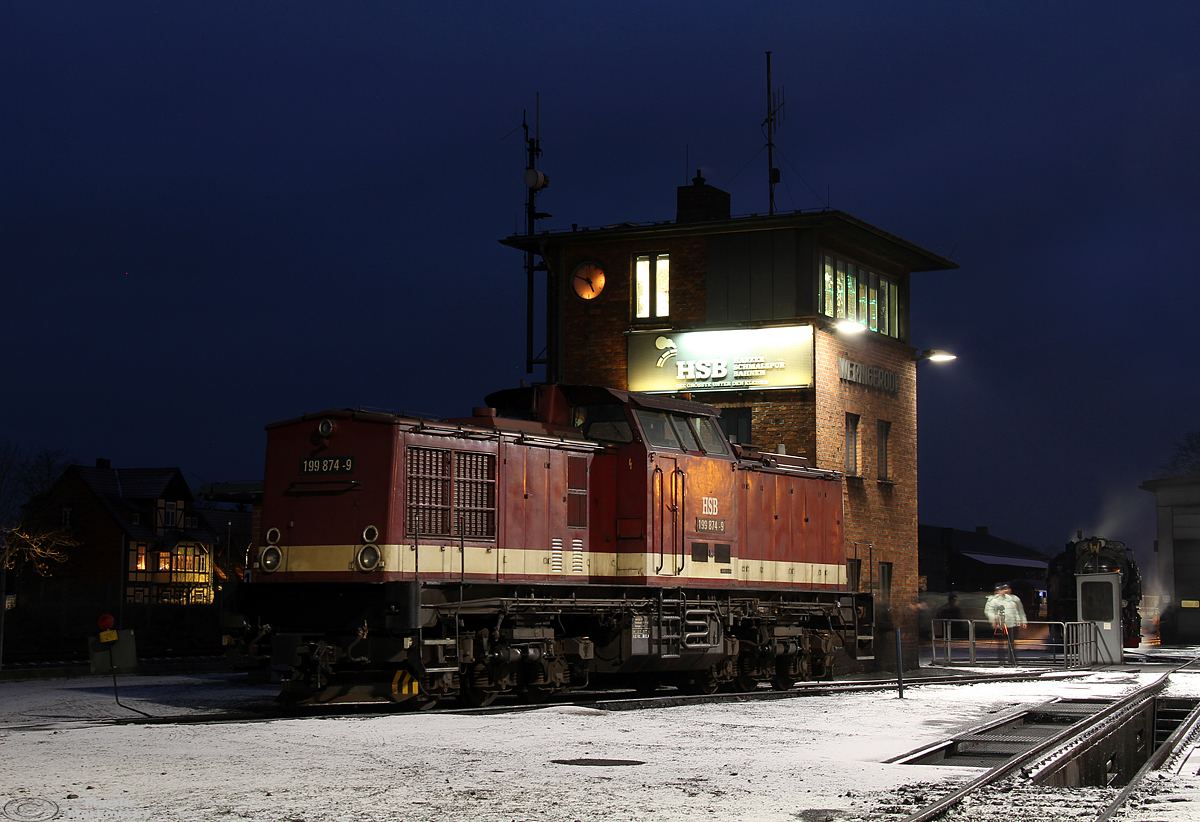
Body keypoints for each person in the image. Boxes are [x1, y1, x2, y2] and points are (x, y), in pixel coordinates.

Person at [985, 582, 1028, 665]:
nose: (1004, 591)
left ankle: (1012, 660)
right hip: (1000, 624)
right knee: (1001, 644)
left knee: (1011, 643)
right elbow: (989, 611)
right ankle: (1001, 661)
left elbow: (1017, 611)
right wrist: (993, 618)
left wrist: (1021, 620)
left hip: (1011, 623)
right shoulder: (993, 600)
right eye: (1002, 590)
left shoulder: (1011, 599)